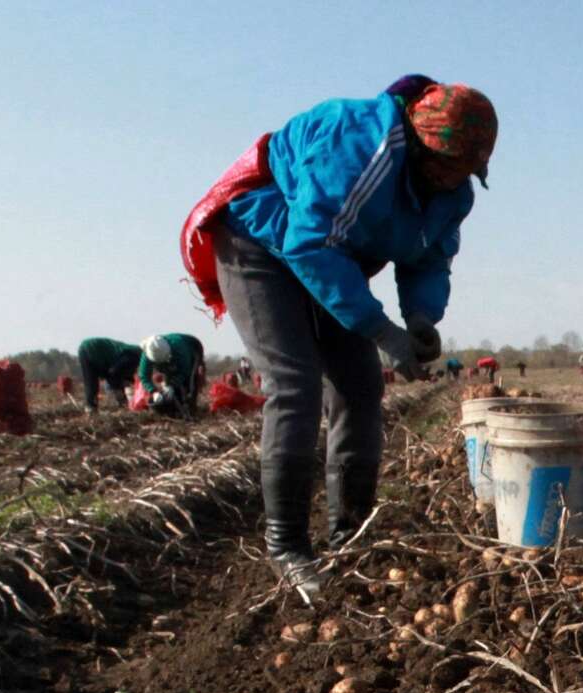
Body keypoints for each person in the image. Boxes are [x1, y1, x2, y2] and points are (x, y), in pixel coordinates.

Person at [180, 75, 496, 601]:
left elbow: (430, 257)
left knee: (359, 384)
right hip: (262, 240)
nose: (453, 179)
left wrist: (419, 317)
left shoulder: (453, 193)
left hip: (334, 260)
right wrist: (377, 327)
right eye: (447, 166)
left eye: (465, 170)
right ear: (420, 146)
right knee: (295, 383)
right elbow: (309, 243)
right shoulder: (360, 146)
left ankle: (350, 534)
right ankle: (287, 547)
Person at [140, 332, 206, 417]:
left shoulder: (179, 347)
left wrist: (172, 385)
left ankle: (191, 409)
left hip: (192, 348)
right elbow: (144, 376)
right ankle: (174, 410)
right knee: (170, 386)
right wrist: (153, 391)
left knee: (190, 381)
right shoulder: (147, 354)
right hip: (171, 360)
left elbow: (185, 371)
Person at [77, 336, 142, 412]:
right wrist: (120, 395)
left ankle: (92, 407)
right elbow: (114, 371)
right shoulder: (133, 356)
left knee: (94, 382)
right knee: (91, 382)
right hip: (90, 349)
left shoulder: (134, 355)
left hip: (98, 353)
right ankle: (90, 408)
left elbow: (121, 371)